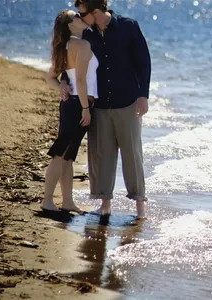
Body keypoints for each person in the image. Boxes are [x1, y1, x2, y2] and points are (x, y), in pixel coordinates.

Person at [61, 0, 151, 219]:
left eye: (82, 13)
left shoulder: (128, 26)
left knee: (132, 155)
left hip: (128, 102)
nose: (80, 18)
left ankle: (140, 206)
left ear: (95, 11)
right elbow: (73, 62)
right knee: (101, 155)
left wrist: (143, 96)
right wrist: (63, 81)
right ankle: (105, 205)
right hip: (99, 105)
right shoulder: (86, 34)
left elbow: (144, 62)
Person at [42, 9, 97, 214]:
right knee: (61, 153)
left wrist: (61, 87)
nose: (80, 17)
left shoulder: (64, 46)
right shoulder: (82, 45)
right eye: (76, 17)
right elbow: (81, 80)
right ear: (69, 25)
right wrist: (85, 108)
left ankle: (67, 202)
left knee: (68, 156)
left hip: (70, 103)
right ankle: (47, 201)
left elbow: (49, 77)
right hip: (78, 104)